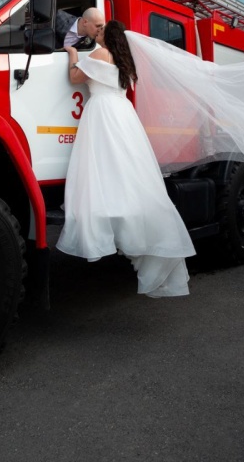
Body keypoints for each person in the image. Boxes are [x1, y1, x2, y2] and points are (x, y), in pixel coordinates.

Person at [56, 20, 196, 297]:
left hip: (103, 113)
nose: (97, 34)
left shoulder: (100, 54)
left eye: (100, 31)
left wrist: (72, 54)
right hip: (122, 113)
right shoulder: (125, 62)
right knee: (127, 169)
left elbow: (75, 77)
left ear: (108, 37)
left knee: (103, 167)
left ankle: (111, 219)